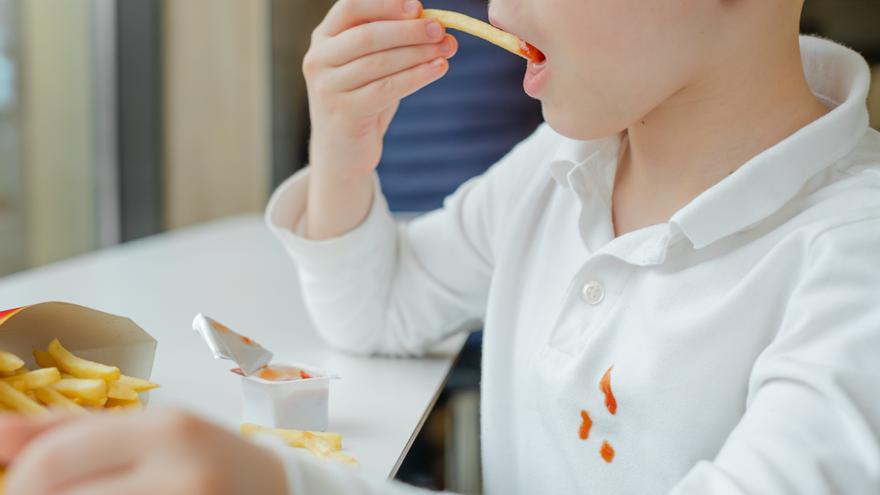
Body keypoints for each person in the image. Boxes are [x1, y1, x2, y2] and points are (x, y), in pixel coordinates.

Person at [2, 0, 880, 493]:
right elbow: (380, 311)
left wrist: (282, 487)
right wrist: (343, 154)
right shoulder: (559, 165)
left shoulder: (855, 262)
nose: (499, 9)